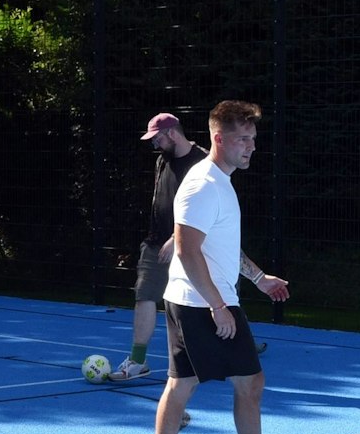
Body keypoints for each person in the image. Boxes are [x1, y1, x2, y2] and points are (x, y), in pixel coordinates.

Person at [145, 100, 299, 434]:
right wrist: (218, 306)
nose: (250, 146)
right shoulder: (202, 185)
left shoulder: (219, 181)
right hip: (201, 303)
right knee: (249, 382)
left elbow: (219, 246)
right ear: (219, 138)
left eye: (253, 139)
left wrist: (259, 278)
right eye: (242, 139)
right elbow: (186, 248)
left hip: (194, 299)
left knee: (182, 386)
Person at [114, 112, 277, 381]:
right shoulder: (162, 161)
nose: (154, 144)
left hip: (190, 247)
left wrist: (174, 240)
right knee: (145, 296)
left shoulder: (203, 165)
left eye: (156, 138)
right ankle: (137, 360)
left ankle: (235, 345)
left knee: (219, 302)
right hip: (158, 244)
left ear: (171, 133)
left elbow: (195, 219)